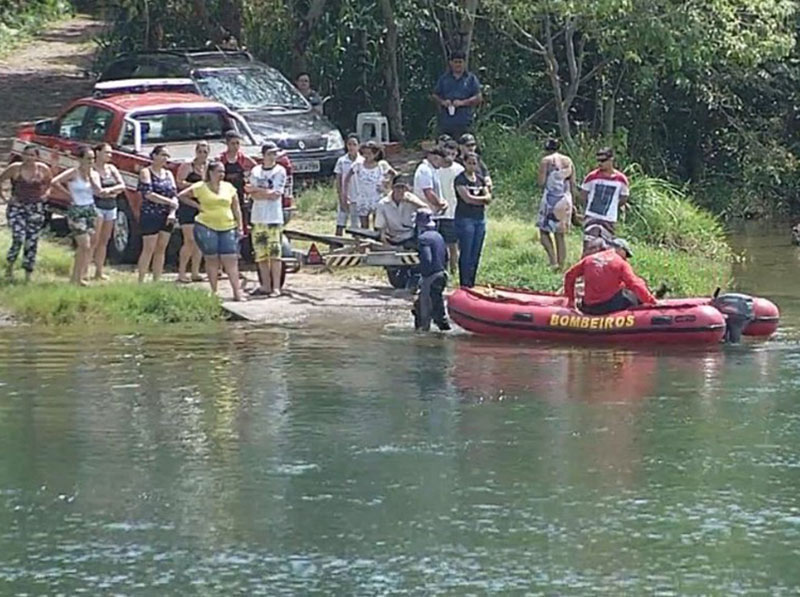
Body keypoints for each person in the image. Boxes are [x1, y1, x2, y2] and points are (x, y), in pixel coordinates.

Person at [177, 160, 245, 302]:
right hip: (206, 225)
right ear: (210, 173)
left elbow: (236, 207)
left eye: (223, 172)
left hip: (227, 225)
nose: (221, 175)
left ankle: (237, 293)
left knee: (230, 259)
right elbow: (182, 196)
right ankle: (214, 291)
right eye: (219, 172)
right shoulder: (201, 187)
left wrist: (240, 225)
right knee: (212, 258)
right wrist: (197, 205)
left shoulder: (229, 187)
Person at [564, 238, 656, 315]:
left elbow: (569, 276)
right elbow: (635, 284)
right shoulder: (620, 263)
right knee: (633, 295)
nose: (626, 258)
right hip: (609, 306)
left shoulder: (589, 259)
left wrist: (571, 300)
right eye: (626, 254)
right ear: (620, 249)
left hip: (589, 306)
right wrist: (651, 301)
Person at [0, 145, 52, 282]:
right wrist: (4, 197)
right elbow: (1, 179)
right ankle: (9, 267)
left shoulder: (42, 169)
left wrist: (45, 194)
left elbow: (49, 183)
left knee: (32, 240)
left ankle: (28, 272)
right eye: (27, 154)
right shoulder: (15, 168)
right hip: (17, 207)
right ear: (22, 155)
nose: (29, 158)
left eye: (32, 155)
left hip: (36, 208)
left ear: (37, 157)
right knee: (19, 237)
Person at [50, 145, 99, 286]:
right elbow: (55, 182)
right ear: (80, 159)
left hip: (90, 208)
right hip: (76, 208)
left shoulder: (94, 174)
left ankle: (80, 275)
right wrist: (68, 195)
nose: (91, 162)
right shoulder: (73, 172)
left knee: (87, 246)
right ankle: (75, 278)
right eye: (88, 159)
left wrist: (91, 177)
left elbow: (98, 191)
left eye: (93, 159)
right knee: (84, 243)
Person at [245, 142, 287, 298]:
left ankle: (276, 287)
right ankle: (265, 285)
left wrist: (257, 190)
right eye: (269, 153)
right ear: (263, 155)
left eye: (274, 154)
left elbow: (276, 194)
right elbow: (251, 192)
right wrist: (261, 192)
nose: (272, 156)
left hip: (274, 218)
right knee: (261, 254)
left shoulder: (280, 171)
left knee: (275, 254)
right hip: (258, 218)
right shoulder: (255, 170)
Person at [137, 145, 179, 283]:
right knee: (149, 248)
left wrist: (172, 212)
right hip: (151, 214)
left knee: (161, 248)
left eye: (167, 156)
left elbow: (174, 195)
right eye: (162, 155)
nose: (165, 159)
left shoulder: (168, 174)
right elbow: (148, 194)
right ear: (154, 156)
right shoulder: (146, 172)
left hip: (166, 215)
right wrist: (168, 202)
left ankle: (157, 279)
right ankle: (141, 280)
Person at [579, 147, 629, 255]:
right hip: (592, 216)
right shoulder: (592, 177)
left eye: (603, 161)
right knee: (588, 244)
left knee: (606, 246)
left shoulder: (621, 179)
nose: (600, 164)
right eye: (598, 161)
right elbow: (583, 195)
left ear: (611, 160)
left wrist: (613, 206)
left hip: (609, 218)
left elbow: (624, 198)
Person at [454, 152, 492, 288]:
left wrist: (478, 199)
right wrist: (480, 199)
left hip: (479, 219)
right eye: (469, 163)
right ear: (464, 163)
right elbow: (467, 198)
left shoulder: (480, 180)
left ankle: (472, 282)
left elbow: (488, 198)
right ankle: (464, 283)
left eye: (474, 163)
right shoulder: (460, 179)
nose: (472, 166)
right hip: (465, 219)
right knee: (466, 252)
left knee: (476, 252)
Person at [537, 137, 576, 270]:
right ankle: (562, 264)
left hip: (550, 199)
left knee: (543, 232)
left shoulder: (546, 161)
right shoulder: (568, 160)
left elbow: (541, 182)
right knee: (560, 234)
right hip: (565, 198)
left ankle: (552, 261)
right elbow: (573, 183)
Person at [89, 142, 125, 281]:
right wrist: (110, 191)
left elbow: (122, 185)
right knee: (94, 239)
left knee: (105, 240)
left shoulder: (112, 168)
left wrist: (110, 191)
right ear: (98, 153)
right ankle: (85, 269)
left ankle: (99, 270)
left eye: (110, 153)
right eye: (106, 152)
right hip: (97, 206)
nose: (109, 155)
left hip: (111, 206)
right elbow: (98, 191)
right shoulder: (92, 169)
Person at [176, 141, 209, 283]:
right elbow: (179, 182)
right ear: (196, 152)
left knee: (199, 241)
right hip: (188, 206)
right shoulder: (187, 166)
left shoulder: (209, 167)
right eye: (200, 151)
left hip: (202, 206)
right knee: (189, 240)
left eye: (205, 151)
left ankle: (195, 271)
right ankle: (182, 272)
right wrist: (195, 187)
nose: (202, 154)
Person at [413, 209, 451, 332]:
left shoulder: (423, 239)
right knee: (437, 303)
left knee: (424, 308)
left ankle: (423, 333)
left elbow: (427, 259)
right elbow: (446, 256)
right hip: (442, 274)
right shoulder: (439, 236)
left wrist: (418, 272)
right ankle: (443, 328)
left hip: (430, 276)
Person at [343, 140, 396, 229]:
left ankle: (376, 241)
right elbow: (347, 178)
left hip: (377, 197)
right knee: (364, 225)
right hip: (363, 198)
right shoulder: (359, 164)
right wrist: (346, 194)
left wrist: (387, 184)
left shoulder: (381, 165)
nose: (366, 156)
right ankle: (364, 241)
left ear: (376, 154)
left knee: (377, 224)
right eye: (364, 153)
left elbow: (393, 174)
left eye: (369, 153)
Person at [432, 50, 482, 138]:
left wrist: (463, 103)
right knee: (446, 149)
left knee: (467, 149)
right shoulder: (444, 79)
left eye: (460, 62)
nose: (458, 65)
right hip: (446, 124)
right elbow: (435, 95)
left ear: (464, 63)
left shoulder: (471, 79)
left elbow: (478, 97)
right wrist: (443, 102)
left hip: (465, 123)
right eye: (455, 62)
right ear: (451, 63)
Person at [374, 174, 429, 248]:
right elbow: (380, 225)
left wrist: (413, 202)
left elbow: (427, 210)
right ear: (393, 188)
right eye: (397, 187)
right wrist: (384, 240)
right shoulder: (383, 204)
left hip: (409, 235)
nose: (400, 190)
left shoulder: (411, 198)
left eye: (402, 187)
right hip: (392, 236)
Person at [437, 141, 463, 274]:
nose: (450, 156)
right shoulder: (435, 169)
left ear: (457, 154)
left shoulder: (459, 169)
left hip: (453, 212)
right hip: (437, 213)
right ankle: (442, 271)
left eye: (453, 153)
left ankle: (454, 271)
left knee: (453, 245)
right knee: (439, 245)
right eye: (447, 153)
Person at [219, 130, 256, 210]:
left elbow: (257, 170)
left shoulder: (244, 159)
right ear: (227, 144)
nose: (236, 146)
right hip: (224, 191)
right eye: (233, 143)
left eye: (237, 143)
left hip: (240, 191)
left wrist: (250, 180)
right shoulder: (220, 159)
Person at [333, 133, 362, 236]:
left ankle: (356, 246)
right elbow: (339, 180)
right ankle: (336, 246)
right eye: (349, 144)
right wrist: (341, 197)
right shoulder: (342, 161)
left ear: (359, 146)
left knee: (355, 226)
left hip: (358, 197)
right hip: (345, 196)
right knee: (340, 223)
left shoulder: (362, 161)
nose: (351, 147)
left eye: (354, 144)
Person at [413, 148, 446, 216]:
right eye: (441, 161)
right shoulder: (425, 170)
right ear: (434, 157)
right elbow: (428, 192)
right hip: (425, 213)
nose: (441, 164)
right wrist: (440, 204)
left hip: (433, 213)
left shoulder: (432, 170)